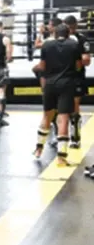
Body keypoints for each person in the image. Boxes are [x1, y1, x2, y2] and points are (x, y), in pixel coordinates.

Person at [34, 22, 83, 164]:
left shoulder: (47, 45)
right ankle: (61, 156)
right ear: (68, 34)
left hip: (50, 84)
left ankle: (38, 148)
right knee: (63, 118)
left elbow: (42, 66)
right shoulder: (73, 45)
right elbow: (79, 66)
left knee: (47, 116)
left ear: (55, 33)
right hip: (67, 84)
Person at [64, 15, 91, 150]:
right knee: (59, 108)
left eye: (71, 27)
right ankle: (61, 136)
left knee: (74, 107)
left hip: (75, 77)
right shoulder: (59, 39)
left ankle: (75, 137)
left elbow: (86, 60)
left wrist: (73, 62)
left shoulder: (81, 40)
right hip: (60, 77)